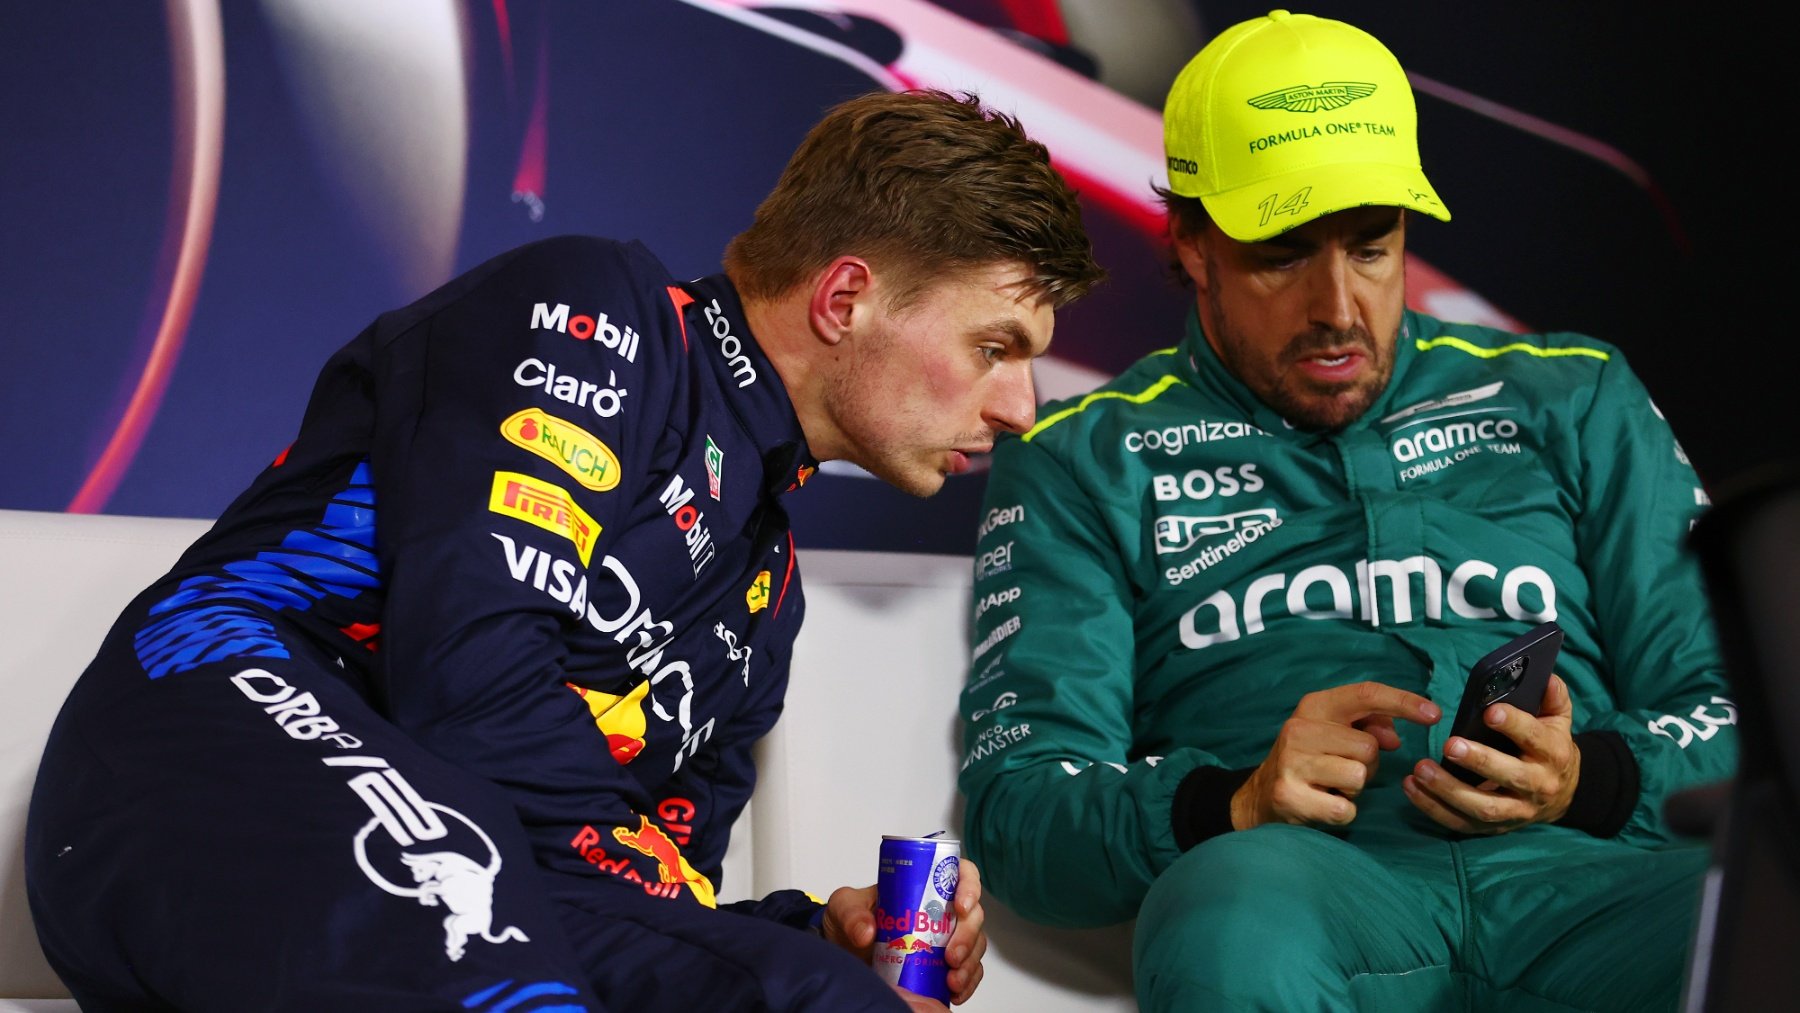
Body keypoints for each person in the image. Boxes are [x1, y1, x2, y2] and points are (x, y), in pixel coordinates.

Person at [26, 88, 1103, 1013]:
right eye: (995, 347)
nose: (1019, 407)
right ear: (846, 298)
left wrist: (811, 934)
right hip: (207, 740)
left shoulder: (763, 600)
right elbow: (471, 678)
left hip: (451, 865)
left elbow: (636, 899)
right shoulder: (601, 313)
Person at [957, 11, 1736, 1011]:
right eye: (1284, 254)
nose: (1338, 307)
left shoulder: (1575, 396)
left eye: (1372, 248)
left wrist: (1592, 779)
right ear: (1190, 242)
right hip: (1301, 892)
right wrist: (1232, 797)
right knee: (1223, 912)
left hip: (1592, 882)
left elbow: (1743, 711)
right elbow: (1024, 815)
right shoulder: (1084, 453)